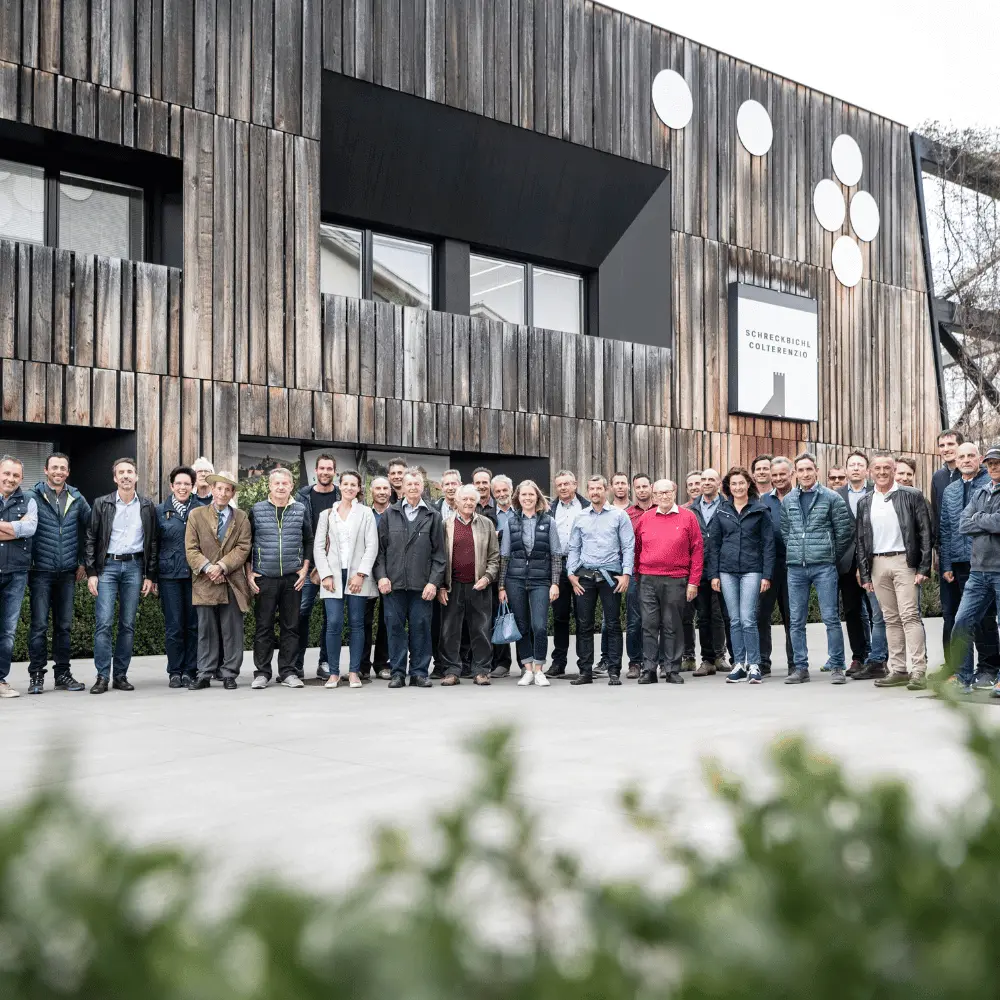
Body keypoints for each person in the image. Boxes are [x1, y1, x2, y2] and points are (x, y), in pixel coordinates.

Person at [856, 452, 933, 690]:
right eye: (877, 468)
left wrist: (924, 566)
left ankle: (918, 670)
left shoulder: (911, 496)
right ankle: (898, 669)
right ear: (870, 471)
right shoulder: (865, 502)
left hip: (904, 562)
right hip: (878, 564)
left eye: (886, 468)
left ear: (893, 470)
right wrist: (866, 573)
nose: (881, 473)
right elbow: (860, 539)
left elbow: (924, 532)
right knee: (890, 619)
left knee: (909, 615)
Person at [85, 457, 159, 694]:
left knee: (127, 625)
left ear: (136, 477)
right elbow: (91, 538)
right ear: (115, 478)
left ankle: (120, 675)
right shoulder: (101, 504)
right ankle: (102, 676)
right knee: (104, 623)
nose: (126, 476)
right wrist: (92, 572)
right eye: (121, 472)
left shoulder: (147, 506)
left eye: (130, 472)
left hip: (135, 567)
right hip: (107, 567)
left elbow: (153, 542)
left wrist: (150, 575)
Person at [780, 452, 853, 684]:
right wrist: (796, 550)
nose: (805, 474)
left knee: (831, 617)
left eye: (808, 469)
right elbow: (786, 531)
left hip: (823, 566)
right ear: (795, 474)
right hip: (796, 568)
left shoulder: (831, 498)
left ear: (816, 471)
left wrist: (830, 555)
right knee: (796, 620)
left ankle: (838, 666)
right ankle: (800, 668)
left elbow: (844, 532)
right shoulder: (789, 500)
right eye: (800, 470)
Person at [375, 468, 446, 688]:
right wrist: (382, 577)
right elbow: (380, 552)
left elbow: (440, 555)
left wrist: (434, 582)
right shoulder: (390, 514)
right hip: (393, 585)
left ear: (422, 487)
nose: (413, 487)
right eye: (409, 484)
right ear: (402, 488)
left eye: (417, 484)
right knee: (394, 629)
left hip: (421, 586)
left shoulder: (433, 516)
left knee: (421, 628)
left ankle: (419, 673)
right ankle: (397, 673)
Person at [27, 453, 90, 694]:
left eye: (63, 468)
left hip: (67, 573)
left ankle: (63, 674)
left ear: (68, 472)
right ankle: (36, 676)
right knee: (39, 626)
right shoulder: (32, 496)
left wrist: (84, 561)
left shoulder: (76, 497)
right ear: (45, 470)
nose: (59, 472)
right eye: (54, 467)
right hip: (40, 571)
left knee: (64, 626)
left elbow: (92, 526)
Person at [939, 442, 1000, 690]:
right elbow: (963, 525)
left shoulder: (980, 491)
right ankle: (963, 677)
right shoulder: (981, 491)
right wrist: (986, 521)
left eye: (998, 463)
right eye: (992, 464)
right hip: (978, 571)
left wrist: (980, 520)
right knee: (962, 622)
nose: (994, 467)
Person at [185, 471, 252, 690]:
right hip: (205, 581)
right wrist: (208, 567)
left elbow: (243, 547)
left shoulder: (241, 517)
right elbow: (191, 548)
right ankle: (204, 673)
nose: (222, 493)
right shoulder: (196, 515)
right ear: (212, 490)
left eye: (227, 489)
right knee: (206, 629)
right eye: (219, 488)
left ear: (232, 493)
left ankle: (229, 673)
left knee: (232, 629)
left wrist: (222, 566)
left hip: (232, 580)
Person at [247, 467, 313, 689]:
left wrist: (304, 570)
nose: (281, 487)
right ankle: (262, 673)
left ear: (291, 486)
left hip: (292, 579)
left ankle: (287, 672)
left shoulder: (301, 509)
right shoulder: (256, 510)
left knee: (291, 626)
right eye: (277, 483)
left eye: (285, 483)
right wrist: (249, 572)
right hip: (265, 577)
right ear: (270, 486)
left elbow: (309, 541)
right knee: (263, 627)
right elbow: (248, 543)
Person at [566, 475, 635, 686]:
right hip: (585, 577)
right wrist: (571, 574)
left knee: (613, 624)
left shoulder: (619, 516)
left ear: (606, 490)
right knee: (584, 625)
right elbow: (574, 547)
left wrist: (626, 574)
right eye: (592, 489)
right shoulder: (580, 517)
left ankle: (614, 670)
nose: (595, 492)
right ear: (588, 492)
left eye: (599, 488)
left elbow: (628, 546)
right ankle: (585, 671)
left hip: (611, 576)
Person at [708, 467, 775, 685]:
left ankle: (754, 664)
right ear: (728, 487)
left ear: (749, 484)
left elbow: (768, 544)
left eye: (741, 483)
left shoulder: (760, 510)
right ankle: (739, 663)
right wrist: (714, 574)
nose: (737, 487)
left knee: (747, 618)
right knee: (734, 619)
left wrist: (767, 575)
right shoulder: (722, 511)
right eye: (733, 484)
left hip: (752, 570)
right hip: (726, 571)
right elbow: (714, 544)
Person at [313, 470, 378, 689]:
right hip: (333, 576)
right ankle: (333, 673)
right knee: (333, 623)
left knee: (357, 624)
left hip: (356, 575)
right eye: (346, 483)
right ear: (340, 486)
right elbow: (318, 547)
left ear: (359, 488)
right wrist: (326, 574)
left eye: (354, 484)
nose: (350, 487)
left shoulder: (366, 513)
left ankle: (353, 672)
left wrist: (361, 574)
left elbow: (372, 546)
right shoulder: (327, 515)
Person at [634, 479, 702, 684]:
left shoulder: (688, 517)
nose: (664, 496)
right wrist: (639, 576)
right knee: (649, 625)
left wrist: (693, 582)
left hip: (676, 579)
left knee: (673, 625)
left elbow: (697, 551)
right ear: (653, 496)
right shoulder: (645, 519)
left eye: (667, 492)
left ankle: (672, 669)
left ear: (674, 492)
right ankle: (649, 669)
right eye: (659, 493)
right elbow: (637, 549)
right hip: (648, 579)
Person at [497, 480, 561, 687]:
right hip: (514, 580)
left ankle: (540, 668)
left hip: (541, 581)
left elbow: (556, 555)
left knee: (539, 626)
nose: (527, 498)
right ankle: (527, 668)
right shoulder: (510, 522)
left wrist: (555, 583)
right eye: (523, 495)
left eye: (531, 495)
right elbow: (504, 556)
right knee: (522, 626)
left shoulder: (549, 522)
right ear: (518, 498)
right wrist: (501, 586)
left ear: (537, 497)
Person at [437, 486, 500, 687]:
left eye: (472, 500)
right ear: (456, 501)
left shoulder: (486, 524)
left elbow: (494, 557)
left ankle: (481, 671)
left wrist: (488, 577)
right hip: (452, 585)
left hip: (479, 586)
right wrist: (441, 586)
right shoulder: (445, 525)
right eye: (464, 499)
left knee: (481, 629)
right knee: (449, 630)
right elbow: (438, 557)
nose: (468, 503)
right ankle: (451, 671)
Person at [835, 451, 888, 679]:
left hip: (873, 561)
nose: (855, 468)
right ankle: (859, 656)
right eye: (851, 465)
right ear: (846, 470)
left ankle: (879, 658)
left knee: (878, 611)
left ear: (867, 470)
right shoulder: (835, 496)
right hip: (846, 564)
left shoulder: (876, 492)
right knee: (852, 610)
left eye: (860, 465)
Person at [296, 454, 342, 679]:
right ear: (315, 471)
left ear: (335, 471)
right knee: (301, 612)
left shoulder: (341, 496)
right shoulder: (302, 496)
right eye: (322, 468)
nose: (325, 472)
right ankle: (296, 664)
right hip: (308, 564)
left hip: (333, 565)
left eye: (329, 468)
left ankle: (324, 662)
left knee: (329, 616)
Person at [156, 466, 200, 688]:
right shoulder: (159, 511)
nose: (183, 487)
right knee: (174, 626)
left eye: (187, 484)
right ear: (171, 486)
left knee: (193, 625)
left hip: (195, 576)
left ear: (193, 487)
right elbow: (153, 545)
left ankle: (190, 670)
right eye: (179, 483)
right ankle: (174, 671)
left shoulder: (201, 509)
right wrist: (151, 577)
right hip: (169, 576)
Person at [0, 456, 38, 700]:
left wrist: (15, 528)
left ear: (22, 478)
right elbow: (19, 529)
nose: (10, 479)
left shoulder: (29, 501)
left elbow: (29, 529)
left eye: (15, 475)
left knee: (7, 630)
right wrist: (13, 527)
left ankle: (0, 679)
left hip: (16, 573)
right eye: (6, 473)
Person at [547, 470, 590, 678]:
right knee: (560, 617)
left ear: (575, 484)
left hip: (582, 567)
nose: (563, 488)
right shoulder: (549, 508)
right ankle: (559, 662)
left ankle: (585, 663)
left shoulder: (587, 506)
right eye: (559, 485)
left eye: (567, 484)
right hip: (558, 566)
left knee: (583, 616)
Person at [689, 468, 730, 676]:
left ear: (718, 482)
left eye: (711, 479)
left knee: (724, 615)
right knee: (703, 616)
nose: (706, 483)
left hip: (724, 568)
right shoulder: (690, 509)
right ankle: (707, 659)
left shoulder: (727, 505)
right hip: (700, 569)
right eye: (703, 479)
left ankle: (725, 657)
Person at [758, 456, 795, 676]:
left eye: (783, 474)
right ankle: (763, 662)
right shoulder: (763, 501)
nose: (779, 478)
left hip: (794, 566)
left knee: (793, 616)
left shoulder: (800, 497)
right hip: (769, 566)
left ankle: (795, 662)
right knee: (762, 614)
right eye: (775, 475)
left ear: (791, 474)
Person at [932, 429, 965, 657]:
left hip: (973, 556)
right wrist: (940, 556)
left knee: (978, 615)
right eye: (942, 445)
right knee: (949, 612)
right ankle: (951, 665)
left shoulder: (975, 475)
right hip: (948, 557)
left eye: (950, 444)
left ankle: (986, 666)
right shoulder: (938, 478)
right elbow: (937, 519)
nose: (946, 449)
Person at [359, 477, 392, 682]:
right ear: (371, 492)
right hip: (366, 573)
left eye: (385, 488)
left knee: (387, 621)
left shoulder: (397, 512)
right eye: (378, 488)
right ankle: (362, 666)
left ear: (390, 491)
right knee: (364, 621)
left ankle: (382, 664)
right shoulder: (363, 514)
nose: (381, 491)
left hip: (390, 574)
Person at [625, 473, 655, 678]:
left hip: (656, 572)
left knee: (657, 620)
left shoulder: (662, 510)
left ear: (651, 487)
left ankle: (657, 661)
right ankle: (635, 662)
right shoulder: (627, 514)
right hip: (635, 573)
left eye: (645, 486)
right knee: (634, 620)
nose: (642, 490)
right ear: (633, 490)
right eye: (638, 487)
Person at [681, 471, 704, 670]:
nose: (695, 487)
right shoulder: (681, 511)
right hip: (686, 572)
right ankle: (688, 656)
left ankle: (715, 656)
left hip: (710, 571)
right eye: (691, 484)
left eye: (699, 482)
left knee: (712, 617)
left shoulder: (718, 506)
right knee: (685, 617)